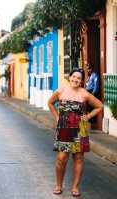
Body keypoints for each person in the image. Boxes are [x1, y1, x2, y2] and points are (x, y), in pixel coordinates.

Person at [48, 68, 103, 197]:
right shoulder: (61, 90)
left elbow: (99, 106)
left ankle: (75, 187)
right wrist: (57, 117)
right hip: (64, 128)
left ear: (81, 81)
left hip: (80, 129)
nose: (75, 80)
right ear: (69, 77)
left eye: (78, 78)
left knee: (78, 158)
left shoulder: (84, 94)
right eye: (74, 77)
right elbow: (50, 103)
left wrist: (88, 117)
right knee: (61, 158)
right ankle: (58, 185)